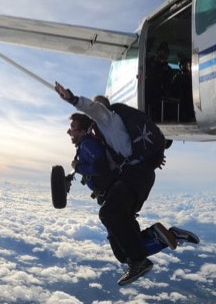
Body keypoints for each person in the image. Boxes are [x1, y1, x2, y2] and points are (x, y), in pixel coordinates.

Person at [57, 83, 199, 285]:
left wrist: (73, 99)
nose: (69, 132)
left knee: (109, 214)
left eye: (72, 129)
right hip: (136, 175)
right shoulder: (104, 134)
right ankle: (167, 236)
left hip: (135, 176)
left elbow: (100, 161)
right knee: (123, 251)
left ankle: (139, 262)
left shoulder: (107, 119)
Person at [145, 42, 175, 121]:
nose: (163, 55)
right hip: (151, 96)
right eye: (161, 52)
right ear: (157, 53)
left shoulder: (169, 70)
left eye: (165, 53)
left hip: (163, 97)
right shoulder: (151, 66)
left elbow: (169, 84)